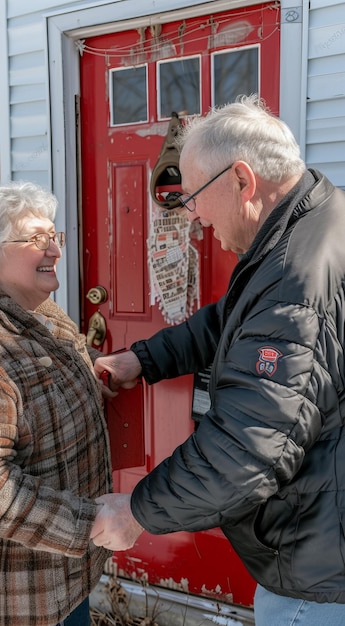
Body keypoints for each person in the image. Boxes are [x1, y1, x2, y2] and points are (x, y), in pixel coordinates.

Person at [90, 95, 345, 625]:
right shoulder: (317, 219)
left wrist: (137, 511)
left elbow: (248, 450)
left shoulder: (294, 278)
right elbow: (229, 318)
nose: (195, 217)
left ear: (243, 181)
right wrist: (143, 358)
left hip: (317, 575)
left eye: (194, 197)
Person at [0, 181, 112, 626]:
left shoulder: (34, 308)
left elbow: (60, 365)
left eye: (54, 236)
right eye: (35, 239)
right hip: (3, 602)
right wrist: (90, 523)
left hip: (60, 580)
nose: (54, 250)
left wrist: (96, 374)